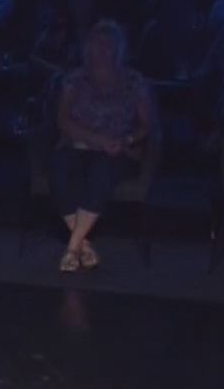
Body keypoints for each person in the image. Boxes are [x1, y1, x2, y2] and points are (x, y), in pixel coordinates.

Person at [52, 20, 153, 272]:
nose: (103, 50)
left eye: (109, 45)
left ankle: (72, 248)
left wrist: (126, 140)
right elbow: (63, 119)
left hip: (117, 150)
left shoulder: (133, 80)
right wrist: (95, 139)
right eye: (97, 44)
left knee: (101, 172)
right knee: (59, 169)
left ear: (119, 49)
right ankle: (83, 246)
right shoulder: (75, 79)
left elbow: (147, 124)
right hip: (78, 144)